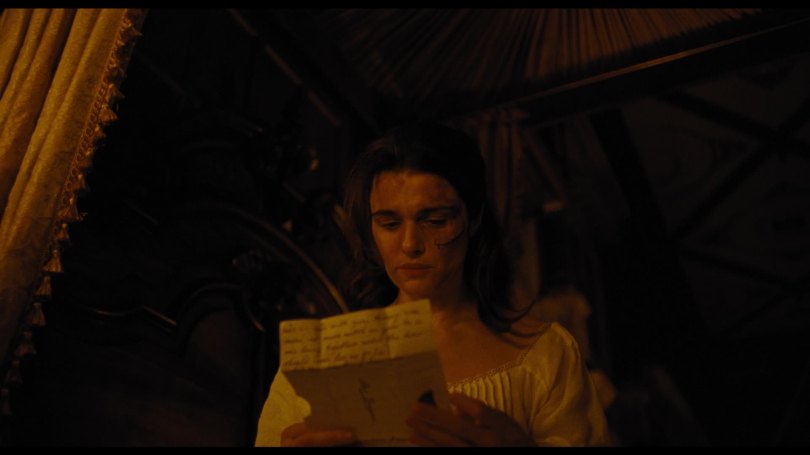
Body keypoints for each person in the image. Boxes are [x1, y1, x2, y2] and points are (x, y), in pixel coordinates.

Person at [254, 121, 609, 446]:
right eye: (390, 223)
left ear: (473, 218)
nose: (410, 244)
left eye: (435, 220)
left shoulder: (544, 355)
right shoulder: (320, 365)